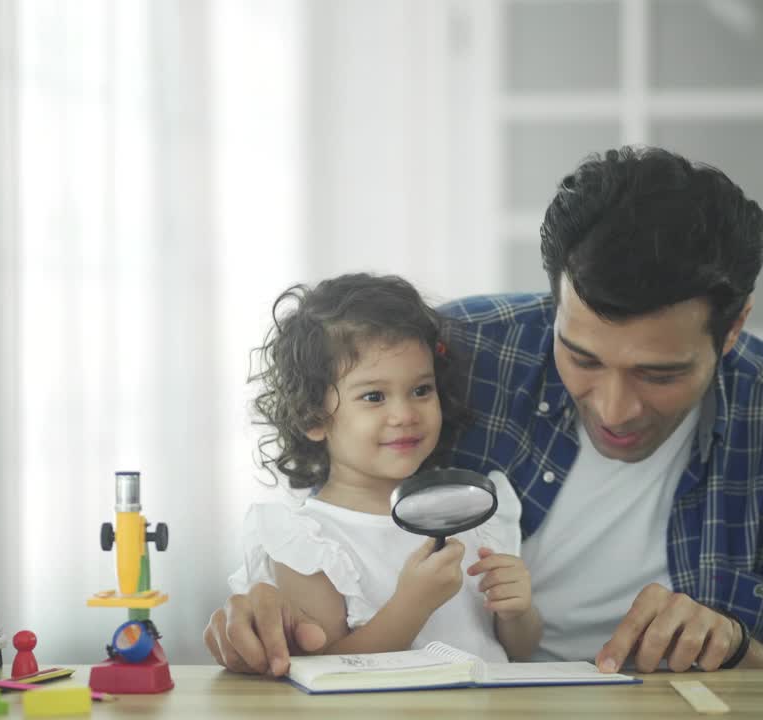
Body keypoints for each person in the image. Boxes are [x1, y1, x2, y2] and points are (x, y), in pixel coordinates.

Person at [205, 147, 763, 674]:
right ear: (555, 302)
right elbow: (335, 514)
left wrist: (737, 646)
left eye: (659, 373)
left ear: (732, 328)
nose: (614, 406)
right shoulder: (455, 355)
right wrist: (265, 620)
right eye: (583, 356)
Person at [224, 273, 542, 668]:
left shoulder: (475, 510)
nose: (405, 414)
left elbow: (519, 650)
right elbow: (325, 668)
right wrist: (412, 605)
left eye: (421, 390)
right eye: (374, 396)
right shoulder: (306, 540)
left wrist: (518, 613)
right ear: (313, 417)